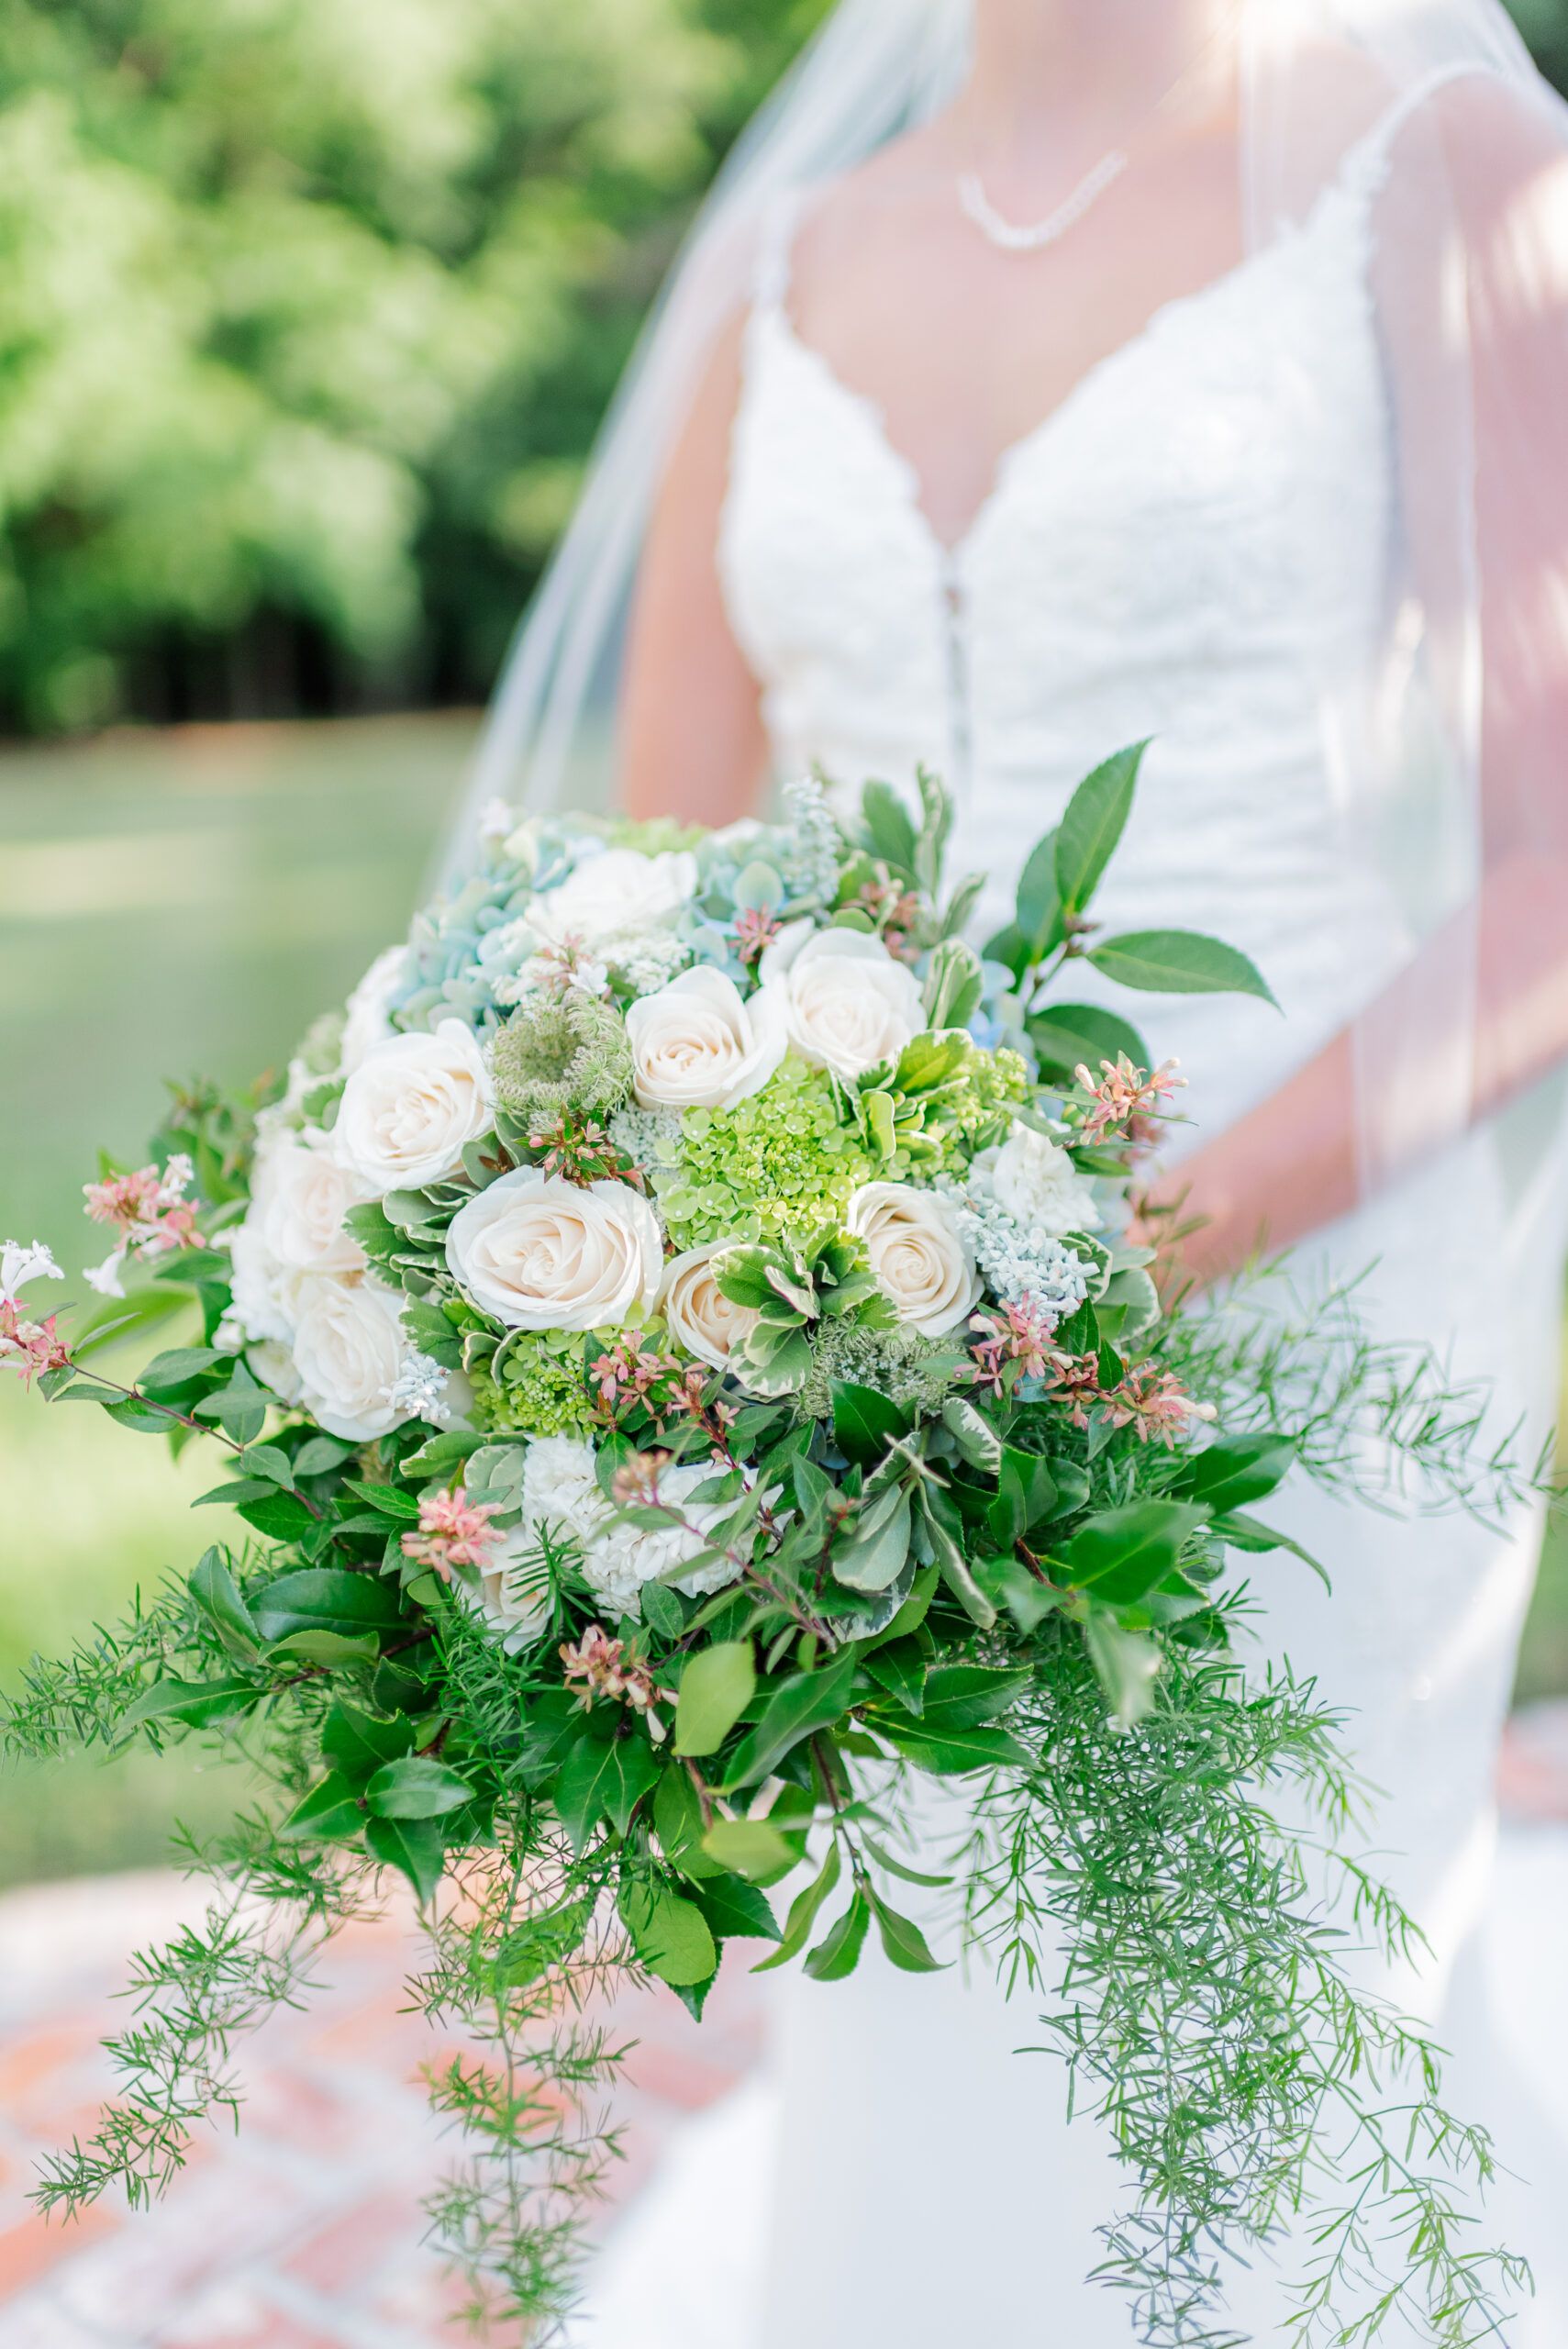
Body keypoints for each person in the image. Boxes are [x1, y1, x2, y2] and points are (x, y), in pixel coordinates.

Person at [460, 2, 1568, 2339]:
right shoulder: (780, 258)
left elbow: (1558, 861)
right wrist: (708, 1291)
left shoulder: (1435, 157)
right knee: (943, 1984)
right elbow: (647, 887)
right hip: (860, 1346)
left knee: (1287, 2010)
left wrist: (1139, 1253)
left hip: (1312, 1295)